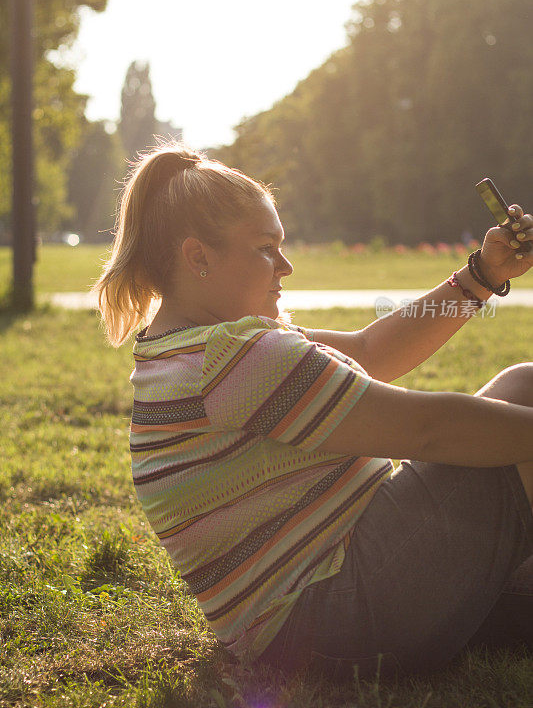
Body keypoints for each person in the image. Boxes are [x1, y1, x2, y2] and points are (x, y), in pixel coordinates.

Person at [94, 142, 533, 680]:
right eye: (265, 248)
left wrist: (483, 275)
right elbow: (430, 432)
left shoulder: (190, 350)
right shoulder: (236, 358)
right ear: (198, 256)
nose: (286, 265)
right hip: (339, 612)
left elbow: (370, 353)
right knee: (520, 396)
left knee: (521, 387)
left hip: (311, 627)